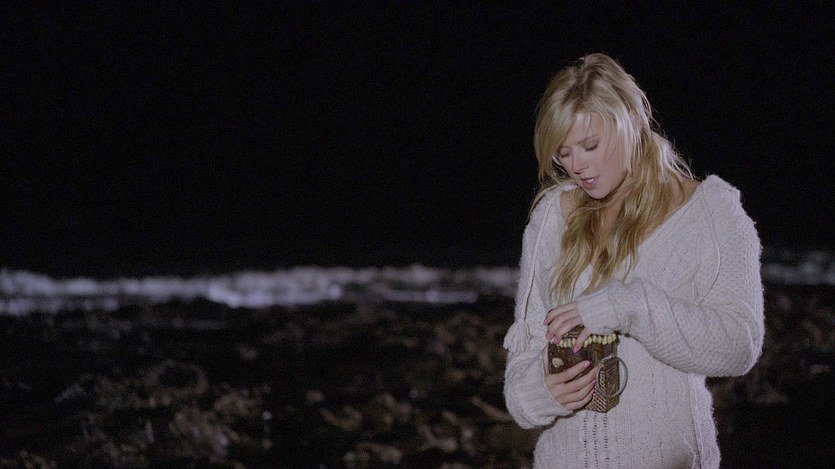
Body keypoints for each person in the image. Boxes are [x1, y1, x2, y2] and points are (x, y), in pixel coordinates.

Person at [502, 53, 764, 468]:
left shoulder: (711, 213)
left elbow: (740, 346)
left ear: (633, 121)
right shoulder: (552, 217)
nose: (577, 166)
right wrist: (541, 393)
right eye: (563, 153)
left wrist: (629, 306)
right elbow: (523, 368)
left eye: (590, 146)